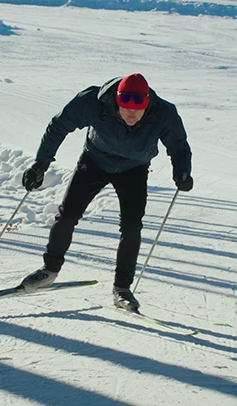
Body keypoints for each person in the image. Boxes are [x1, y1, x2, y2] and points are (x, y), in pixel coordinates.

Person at [21, 73, 193, 311]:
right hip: (95, 160)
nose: (131, 115)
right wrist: (39, 165)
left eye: (137, 110)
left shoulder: (164, 112)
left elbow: (179, 146)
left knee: (132, 226)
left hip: (134, 168)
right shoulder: (92, 101)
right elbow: (58, 126)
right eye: (125, 108)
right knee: (68, 214)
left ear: (147, 104)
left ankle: (122, 289)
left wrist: (182, 171)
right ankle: (49, 270)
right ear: (116, 101)